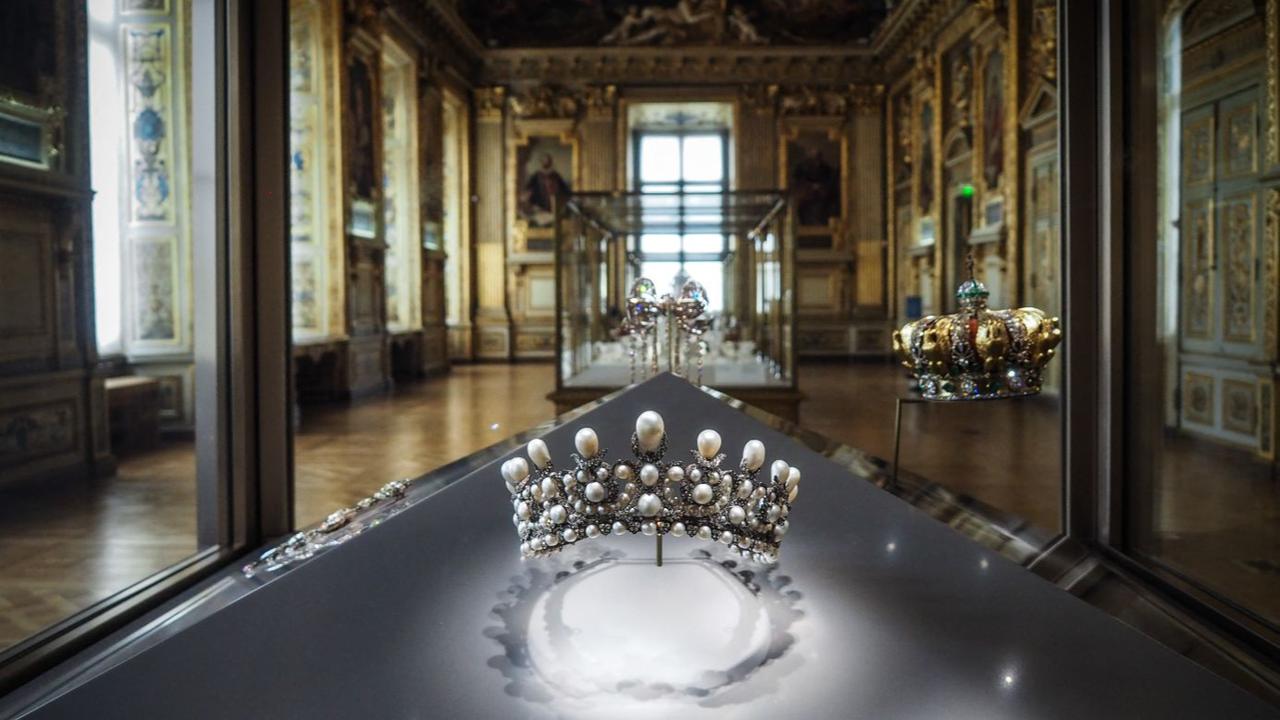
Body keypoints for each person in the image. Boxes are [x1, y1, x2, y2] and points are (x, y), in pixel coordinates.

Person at [521, 153, 570, 226]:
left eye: (547, 161)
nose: (545, 163)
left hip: (553, 204)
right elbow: (528, 188)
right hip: (539, 204)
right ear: (541, 163)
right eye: (544, 161)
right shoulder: (537, 175)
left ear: (550, 162)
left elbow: (564, 189)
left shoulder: (555, 175)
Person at [792, 147, 837, 226]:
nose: (816, 161)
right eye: (813, 158)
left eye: (817, 157)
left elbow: (830, 183)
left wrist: (820, 187)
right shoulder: (802, 168)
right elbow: (797, 181)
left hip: (822, 199)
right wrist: (810, 187)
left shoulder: (826, 169)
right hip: (807, 197)